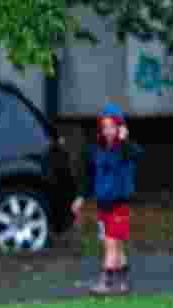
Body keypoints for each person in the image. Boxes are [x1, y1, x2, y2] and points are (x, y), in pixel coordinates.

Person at [71, 102, 144, 296]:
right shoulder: (96, 149)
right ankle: (123, 280)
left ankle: (106, 281)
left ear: (120, 127)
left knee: (111, 243)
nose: (108, 131)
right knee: (114, 244)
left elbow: (138, 155)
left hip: (118, 203)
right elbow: (89, 176)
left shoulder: (126, 149)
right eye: (104, 127)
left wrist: (124, 141)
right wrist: (81, 197)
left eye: (112, 126)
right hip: (103, 203)